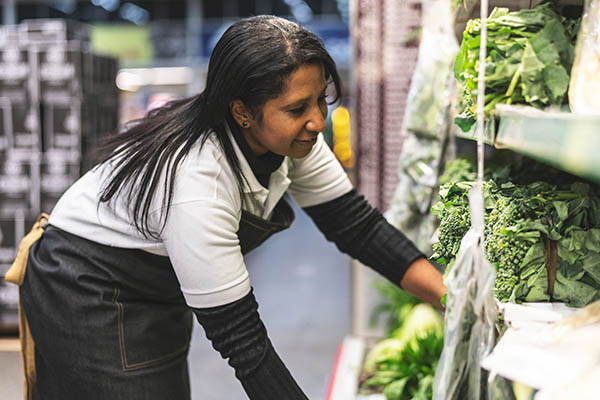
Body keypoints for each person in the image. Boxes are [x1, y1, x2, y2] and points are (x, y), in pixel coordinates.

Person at [17, 15, 446, 399]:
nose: (317, 120)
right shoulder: (198, 180)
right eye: (297, 108)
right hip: (85, 282)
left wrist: (451, 297)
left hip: (154, 281)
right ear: (242, 111)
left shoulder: (294, 137)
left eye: (321, 99)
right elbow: (243, 342)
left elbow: (358, 227)